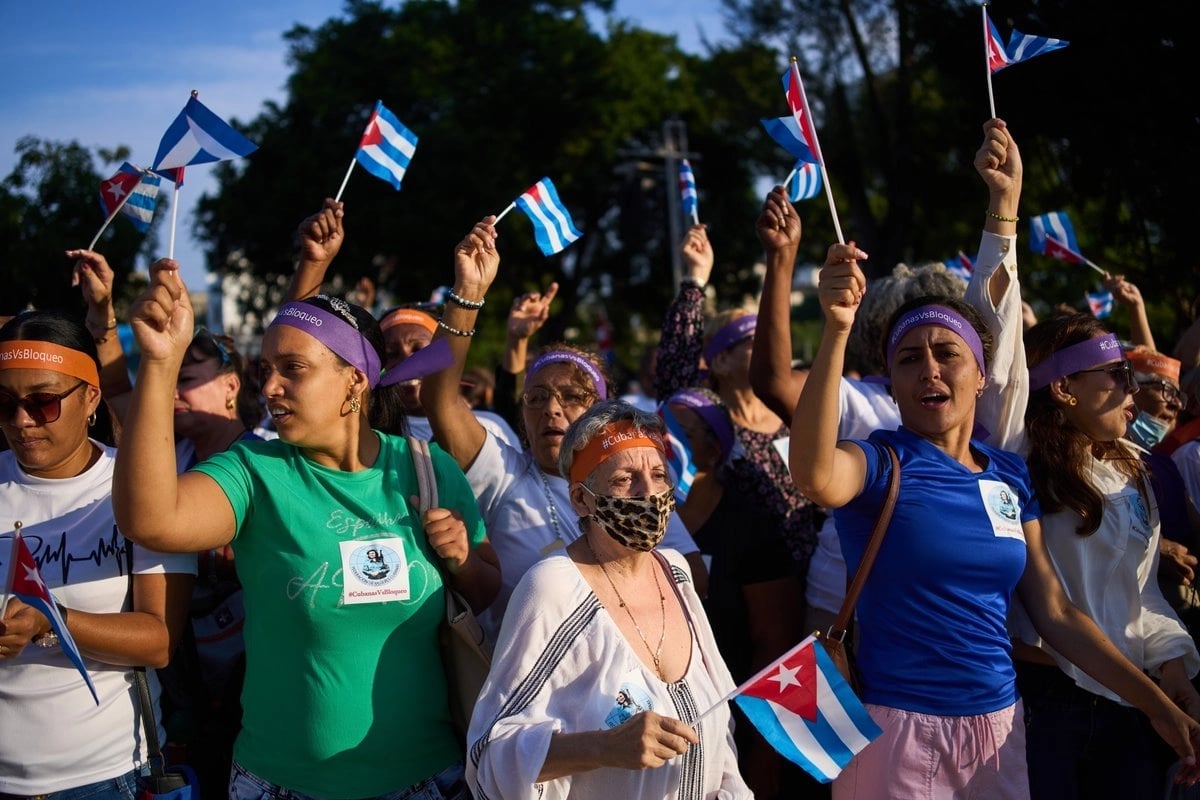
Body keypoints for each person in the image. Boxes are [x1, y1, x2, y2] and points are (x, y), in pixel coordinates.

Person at [790, 117, 1200, 799]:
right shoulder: (879, 464)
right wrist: (834, 333)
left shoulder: (1008, 475)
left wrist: (1159, 705)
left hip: (1002, 734)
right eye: (908, 360)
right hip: (897, 733)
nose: (929, 371)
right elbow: (812, 475)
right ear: (888, 381)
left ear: (982, 378)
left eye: (947, 355)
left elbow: (1058, 614)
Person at [111, 259, 500, 800]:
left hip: (425, 781)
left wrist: (459, 556)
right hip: (280, 784)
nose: (270, 386)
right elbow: (149, 519)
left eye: (293, 367)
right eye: (265, 369)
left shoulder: (427, 468)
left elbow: (485, 591)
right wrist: (158, 363)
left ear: (355, 382)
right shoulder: (253, 472)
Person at [421, 217, 706, 643]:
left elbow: (693, 584)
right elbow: (440, 399)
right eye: (535, 398)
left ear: (602, 410)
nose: (552, 409)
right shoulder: (503, 473)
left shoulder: (640, 487)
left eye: (572, 396)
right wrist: (469, 293)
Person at [466, 400, 751, 800]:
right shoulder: (554, 588)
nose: (649, 493)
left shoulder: (675, 572)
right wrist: (603, 747)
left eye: (657, 475)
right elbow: (491, 754)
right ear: (582, 500)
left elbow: (720, 728)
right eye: (624, 479)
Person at [0, 310, 196, 800]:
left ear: (90, 397)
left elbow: (159, 640)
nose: (22, 421)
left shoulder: (137, 488)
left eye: (43, 403)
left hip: (106, 777)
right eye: (4, 404)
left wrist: (53, 621)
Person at [1014, 314, 1200, 799]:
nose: (1133, 389)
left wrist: (1173, 663)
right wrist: (1002, 233)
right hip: (1045, 702)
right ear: (1063, 387)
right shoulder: (1016, 458)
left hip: (1129, 697)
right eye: (1117, 374)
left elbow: (1141, 592)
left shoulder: (1133, 467)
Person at [654, 224, 818, 592]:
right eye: (753, 340)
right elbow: (674, 371)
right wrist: (695, 279)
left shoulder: (795, 412)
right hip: (747, 583)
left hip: (814, 576)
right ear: (721, 362)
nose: (770, 347)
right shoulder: (704, 424)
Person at [664, 386, 804, 799]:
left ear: (714, 450)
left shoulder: (751, 527)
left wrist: (762, 758)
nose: (665, 443)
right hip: (668, 724)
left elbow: (775, 645)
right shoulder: (642, 521)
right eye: (659, 430)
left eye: (682, 433)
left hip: (738, 723)